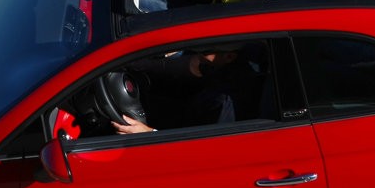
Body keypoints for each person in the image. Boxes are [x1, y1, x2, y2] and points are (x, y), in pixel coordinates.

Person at [112, 45, 265, 134]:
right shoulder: (218, 67)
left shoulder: (225, 102)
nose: (198, 49)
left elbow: (202, 149)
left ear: (229, 57)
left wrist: (148, 134)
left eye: (205, 49)